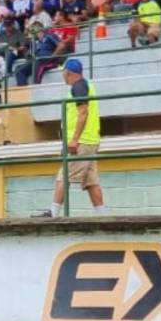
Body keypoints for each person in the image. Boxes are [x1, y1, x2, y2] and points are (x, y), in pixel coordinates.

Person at [36, 59, 108, 217]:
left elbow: (83, 112)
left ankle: (53, 212)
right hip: (90, 140)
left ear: (68, 72)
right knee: (91, 181)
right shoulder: (87, 86)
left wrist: (74, 139)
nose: (62, 75)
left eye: (63, 72)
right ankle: (103, 215)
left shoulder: (78, 87)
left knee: (64, 175)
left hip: (82, 141)